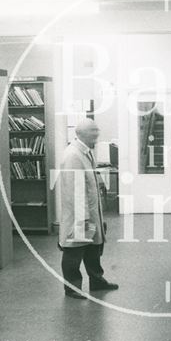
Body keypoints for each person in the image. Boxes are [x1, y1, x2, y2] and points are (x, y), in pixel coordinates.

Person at [58, 118, 118, 299]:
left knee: (93, 249)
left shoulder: (86, 151)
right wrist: (83, 219)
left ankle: (97, 281)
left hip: (90, 212)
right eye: (93, 131)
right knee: (74, 251)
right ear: (81, 134)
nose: (97, 134)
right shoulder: (73, 155)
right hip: (80, 214)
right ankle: (72, 288)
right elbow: (74, 190)